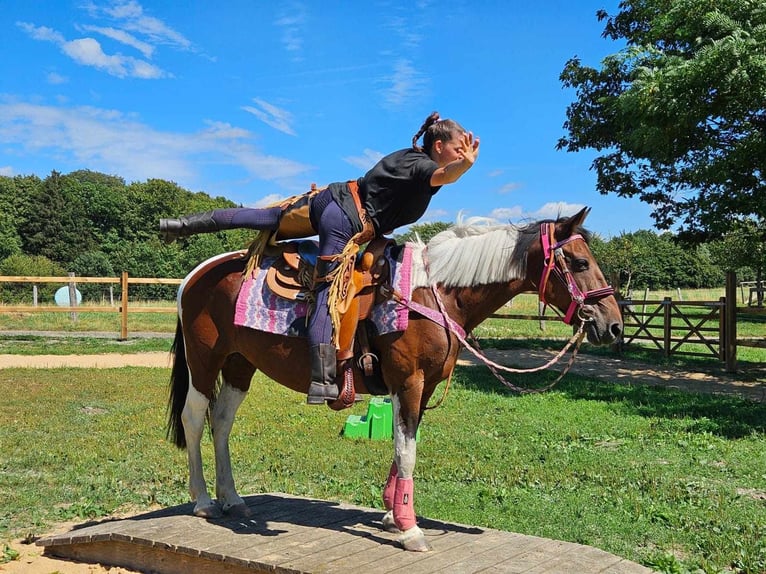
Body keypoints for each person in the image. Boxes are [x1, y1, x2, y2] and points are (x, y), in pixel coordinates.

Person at [160, 112, 479, 404]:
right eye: (456, 149)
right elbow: (445, 175)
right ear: (438, 146)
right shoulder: (421, 165)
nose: (459, 155)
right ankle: (322, 379)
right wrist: (464, 166)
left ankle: (182, 226)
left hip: (331, 199)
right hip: (346, 219)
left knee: (260, 216)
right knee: (329, 291)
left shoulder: (411, 159)